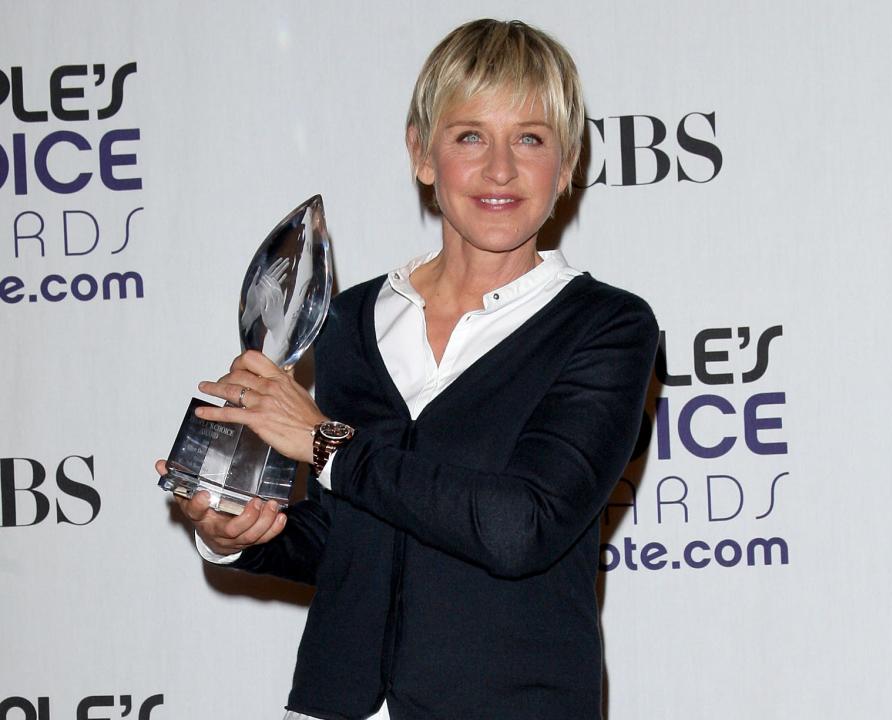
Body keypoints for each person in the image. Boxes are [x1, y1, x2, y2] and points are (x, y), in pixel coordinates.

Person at [157, 18, 658, 720]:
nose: (501, 169)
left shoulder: (605, 325)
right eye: (470, 136)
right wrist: (239, 536)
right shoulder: (351, 320)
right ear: (423, 154)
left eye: (532, 138)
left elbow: (521, 528)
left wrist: (325, 443)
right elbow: (356, 538)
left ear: (567, 164)